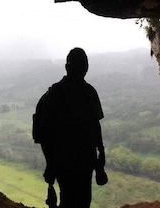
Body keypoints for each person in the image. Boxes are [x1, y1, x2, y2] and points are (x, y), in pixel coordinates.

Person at [35, 47, 107, 208]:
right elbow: (96, 126)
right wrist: (100, 154)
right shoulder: (88, 92)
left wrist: (50, 163)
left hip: (66, 161)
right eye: (81, 64)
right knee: (80, 201)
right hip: (81, 160)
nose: (82, 68)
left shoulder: (55, 94)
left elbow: (44, 134)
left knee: (70, 200)